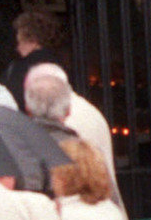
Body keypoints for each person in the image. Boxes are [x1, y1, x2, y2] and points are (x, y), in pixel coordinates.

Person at [22, 64, 121, 209]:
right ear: (68, 110)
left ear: (27, 108)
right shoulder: (87, 152)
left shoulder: (17, 149)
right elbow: (109, 198)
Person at [4, 9, 71, 102]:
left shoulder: (19, 68)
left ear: (33, 40)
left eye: (20, 41)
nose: (17, 47)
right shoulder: (59, 65)